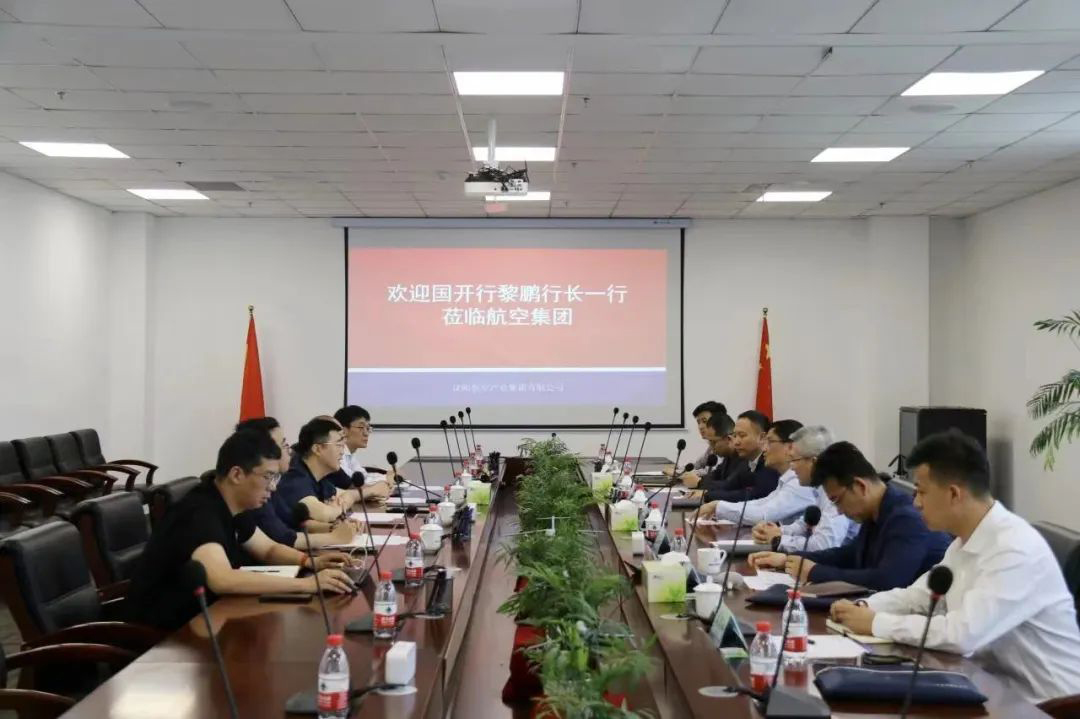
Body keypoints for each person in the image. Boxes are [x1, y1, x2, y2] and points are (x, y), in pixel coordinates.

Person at [831, 430, 1080, 703]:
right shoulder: (963, 542)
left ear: (953, 493)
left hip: (1046, 706)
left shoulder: (1014, 549)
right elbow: (918, 597)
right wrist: (865, 607)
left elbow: (962, 635)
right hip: (989, 687)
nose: (916, 503)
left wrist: (877, 623)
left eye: (921, 492)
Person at [125, 430, 355, 631]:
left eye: (276, 477)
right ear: (237, 474)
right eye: (268, 477)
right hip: (163, 638)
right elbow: (222, 579)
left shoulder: (234, 505)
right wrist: (307, 585)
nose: (273, 487)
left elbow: (267, 549)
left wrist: (311, 562)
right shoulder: (200, 512)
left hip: (208, 619)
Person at [749, 441, 950, 591]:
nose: (838, 511)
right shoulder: (877, 510)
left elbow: (887, 580)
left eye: (837, 500)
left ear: (860, 486)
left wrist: (815, 572)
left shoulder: (906, 518)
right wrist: (789, 560)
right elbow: (849, 555)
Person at [235, 417, 360, 550]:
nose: (290, 451)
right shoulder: (287, 479)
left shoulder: (272, 485)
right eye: (284, 445)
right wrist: (334, 537)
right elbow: (283, 539)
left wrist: (334, 528)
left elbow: (297, 524)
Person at [751, 425, 855, 552]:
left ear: (814, 462)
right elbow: (805, 525)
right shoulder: (819, 489)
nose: (791, 467)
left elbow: (824, 545)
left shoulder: (837, 492)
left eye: (794, 460)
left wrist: (778, 540)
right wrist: (776, 531)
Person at [698, 419, 814, 524]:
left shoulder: (800, 483)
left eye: (770, 442)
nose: (764, 448)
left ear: (790, 446)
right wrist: (717, 506)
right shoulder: (788, 479)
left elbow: (764, 515)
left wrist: (718, 507)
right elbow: (762, 503)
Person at [275, 417, 360, 526]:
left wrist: (337, 505)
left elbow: (349, 494)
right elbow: (324, 514)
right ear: (317, 449)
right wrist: (338, 508)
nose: (342, 452)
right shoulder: (296, 478)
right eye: (338, 445)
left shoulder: (319, 477)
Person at [701, 410, 779, 502]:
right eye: (735, 436)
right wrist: (705, 492)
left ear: (762, 438)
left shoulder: (770, 463)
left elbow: (754, 496)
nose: (736, 442)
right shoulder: (747, 462)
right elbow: (728, 486)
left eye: (742, 436)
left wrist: (708, 495)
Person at [329, 405, 394, 501]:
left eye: (368, 428)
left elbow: (364, 477)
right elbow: (353, 484)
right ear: (344, 430)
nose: (366, 433)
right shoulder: (336, 455)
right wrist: (386, 479)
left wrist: (387, 477)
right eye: (361, 427)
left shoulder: (350, 454)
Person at [664, 400, 727, 480]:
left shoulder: (724, 445)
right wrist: (679, 469)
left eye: (704, 421)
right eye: (698, 422)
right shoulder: (712, 444)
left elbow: (710, 473)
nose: (700, 426)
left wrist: (678, 473)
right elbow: (697, 465)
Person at [682, 411, 742, 490]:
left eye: (713, 442)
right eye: (709, 442)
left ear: (728, 439)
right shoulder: (728, 457)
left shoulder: (743, 459)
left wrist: (699, 483)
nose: (712, 448)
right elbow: (714, 475)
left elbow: (730, 487)